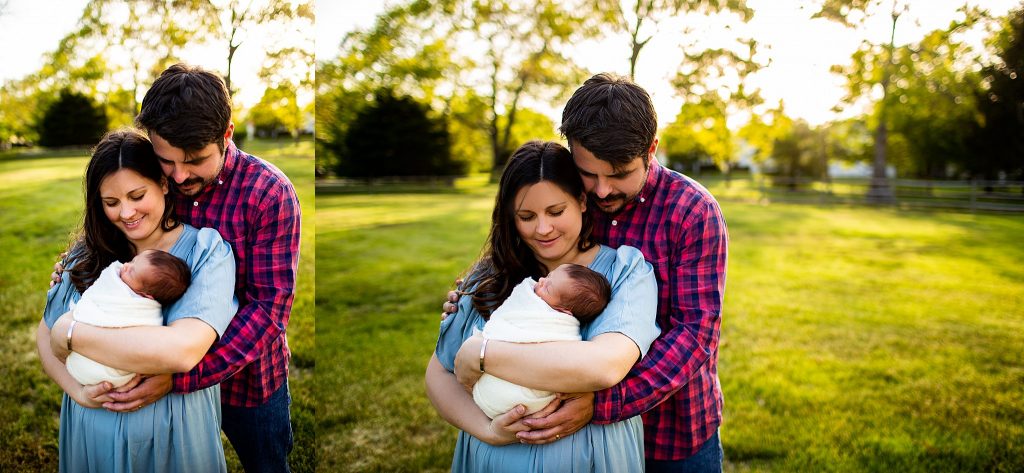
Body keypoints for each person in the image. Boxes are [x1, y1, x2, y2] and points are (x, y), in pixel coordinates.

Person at [444, 74, 729, 472]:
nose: (601, 191)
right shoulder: (566, 202)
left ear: (651, 150)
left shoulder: (692, 210)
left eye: (619, 173)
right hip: (570, 440)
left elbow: (694, 335)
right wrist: (475, 299)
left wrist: (603, 401)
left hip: (672, 430)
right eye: (588, 173)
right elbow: (523, 242)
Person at [50, 63, 301, 471]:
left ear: (227, 135)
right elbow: (120, 213)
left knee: (266, 464)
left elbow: (269, 311)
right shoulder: (155, 179)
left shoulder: (270, 193)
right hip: (145, 363)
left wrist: (179, 376)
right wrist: (78, 263)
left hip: (247, 377)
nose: (181, 175)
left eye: (196, 160)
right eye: (167, 161)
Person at [425, 140, 660, 472]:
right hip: (494, 458)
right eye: (526, 216)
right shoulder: (491, 276)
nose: (543, 229)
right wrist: (488, 431)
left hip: (596, 458)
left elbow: (603, 367)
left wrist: (482, 353)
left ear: (581, 200)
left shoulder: (625, 270)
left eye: (555, 211)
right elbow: (439, 373)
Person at [37, 128, 238, 472]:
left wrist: (70, 334)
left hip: (176, 432)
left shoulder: (206, 251)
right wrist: (78, 391)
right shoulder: (86, 256)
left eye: (136, 195)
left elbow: (180, 351)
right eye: (111, 203)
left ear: (162, 183)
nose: (126, 212)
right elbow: (45, 337)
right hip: (93, 428)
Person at [472, 263, 611, 418]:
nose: (542, 281)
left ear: (563, 311)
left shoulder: (558, 326)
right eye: (549, 275)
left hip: (516, 396)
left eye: (548, 289)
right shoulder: (537, 294)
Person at [66, 249, 192, 388]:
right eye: (133, 261)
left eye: (132, 272)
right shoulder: (125, 278)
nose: (125, 266)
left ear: (146, 295)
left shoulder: (140, 308)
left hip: (103, 367)